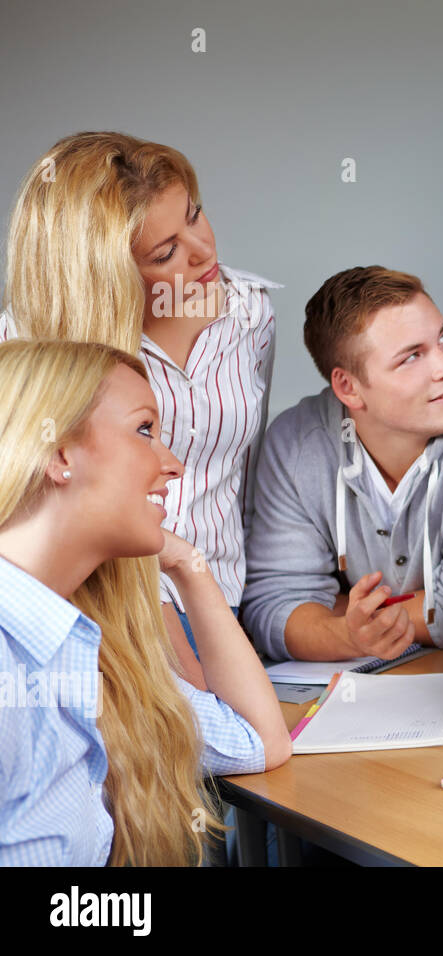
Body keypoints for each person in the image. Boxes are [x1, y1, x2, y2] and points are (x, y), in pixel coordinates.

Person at [0, 339, 290, 866]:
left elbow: (262, 742)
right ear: (59, 454)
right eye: (143, 431)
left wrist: (191, 568)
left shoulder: (84, 643)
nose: (173, 465)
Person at [2, 131, 280, 680]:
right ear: (106, 277)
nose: (203, 251)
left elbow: (247, 472)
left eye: (195, 216)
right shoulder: (22, 349)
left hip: (220, 605)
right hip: (105, 616)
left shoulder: (251, 313)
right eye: (166, 251)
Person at [242, 267, 443, 661]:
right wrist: (352, 636)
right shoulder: (296, 444)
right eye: (412, 357)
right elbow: (272, 611)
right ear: (348, 387)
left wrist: (336, 614)